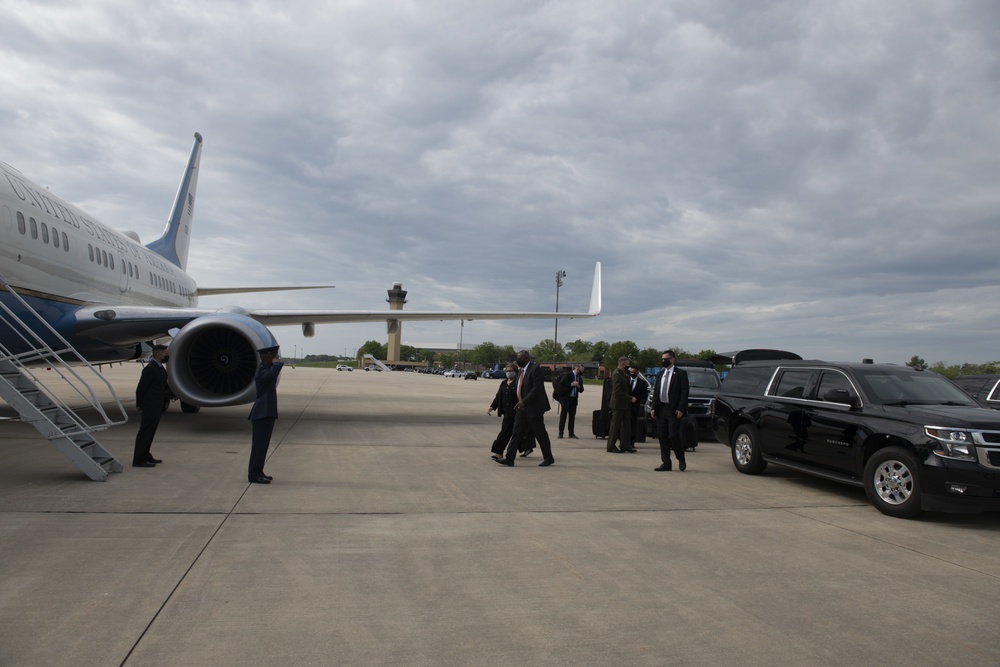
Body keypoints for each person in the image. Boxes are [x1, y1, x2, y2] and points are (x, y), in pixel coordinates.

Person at [495, 350, 555, 467]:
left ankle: (548, 458)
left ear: (526, 359)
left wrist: (524, 402)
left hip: (533, 408)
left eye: (519, 358)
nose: (518, 360)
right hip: (522, 409)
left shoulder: (535, 369)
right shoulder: (521, 370)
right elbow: (519, 387)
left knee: (540, 434)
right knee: (516, 433)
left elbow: (537, 389)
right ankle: (509, 458)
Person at [247, 345, 284, 484]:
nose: (276, 357)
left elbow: (273, 375)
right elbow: (271, 375)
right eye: (274, 355)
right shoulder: (262, 370)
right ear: (266, 356)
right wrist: (277, 364)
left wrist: (274, 365)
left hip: (266, 413)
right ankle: (254, 474)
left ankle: (258, 471)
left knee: (263, 446)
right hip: (261, 414)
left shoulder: (267, 369)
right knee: (258, 447)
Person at [650, 349, 690, 471]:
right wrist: (653, 407)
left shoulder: (680, 374)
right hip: (661, 409)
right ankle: (666, 463)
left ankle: (680, 457)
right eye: (662, 359)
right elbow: (656, 391)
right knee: (662, 436)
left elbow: (684, 392)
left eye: (665, 359)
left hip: (673, 410)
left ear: (672, 359)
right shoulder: (660, 374)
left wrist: (681, 408)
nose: (663, 361)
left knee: (673, 435)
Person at [487, 362, 535, 459]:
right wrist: (492, 406)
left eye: (511, 371)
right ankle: (525, 448)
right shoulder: (504, 383)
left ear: (516, 372)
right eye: (507, 371)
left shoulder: (519, 383)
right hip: (507, 412)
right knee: (508, 431)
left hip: (518, 411)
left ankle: (500, 452)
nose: (509, 373)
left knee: (513, 432)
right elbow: (498, 396)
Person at [133, 344, 169, 467]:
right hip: (150, 406)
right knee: (145, 432)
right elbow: (141, 388)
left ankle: (146, 455)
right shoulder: (150, 369)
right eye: (165, 353)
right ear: (158, 354)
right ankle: (138, 459)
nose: (167, 355)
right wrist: (139, 404)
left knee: (150, 432)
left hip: (157, 405)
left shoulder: (159, 368)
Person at [605, 356, 632, 453]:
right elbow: (617, 391)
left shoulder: (622, 373)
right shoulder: (617, 374)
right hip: (618, 404)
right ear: (623, 364)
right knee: (615, 426)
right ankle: (611, 446)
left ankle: (625, 445)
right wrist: (630, 398)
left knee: (626, 426)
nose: (629, 366)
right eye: (627, 364)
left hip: (624, 404)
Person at [556, 363, 585, 439]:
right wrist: (572, 384)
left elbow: (581, 390)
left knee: (572, 417)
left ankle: (571, 433)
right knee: (563, 416)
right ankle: (561, 432)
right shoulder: (569, 374)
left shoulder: (579, 378)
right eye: (581, 371)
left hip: (574, 399)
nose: (582, 372)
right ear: (577, 369)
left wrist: (578, 386)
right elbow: (562, 382)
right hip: (566, 398)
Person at [626, 361, 650, 452]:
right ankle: (624, 441)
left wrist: (636, 398)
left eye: (634, 372)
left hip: (636, 406)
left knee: (633, 424)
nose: (633, 374)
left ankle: (632, 442)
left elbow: (644, 394)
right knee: (625, 423)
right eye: (631, 372)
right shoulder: (626, 380)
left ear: (637, 372)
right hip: (626, 405)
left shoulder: (642, 383)